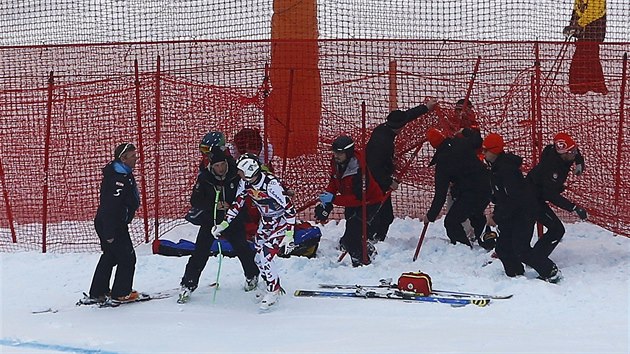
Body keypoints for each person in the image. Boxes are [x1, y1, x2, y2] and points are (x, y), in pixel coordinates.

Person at [211, 153, 296, 310]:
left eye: (241, 170)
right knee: (257, 257)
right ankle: (269, 283)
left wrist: (289, 236)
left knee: (265, 256)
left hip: (280, 223)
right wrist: (223, 225)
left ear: (249, 170)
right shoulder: (245, 183)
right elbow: (237, 204)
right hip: (266, 222)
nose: (238, 174)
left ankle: (273, 290)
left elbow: (290, 210)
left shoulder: (271, 184)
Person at [178, 147, 260, 303]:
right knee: (200, 252)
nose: (221, 169)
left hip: (232, 219)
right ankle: (188, 284)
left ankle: (252, 276)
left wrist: (232, 206)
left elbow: (250, 190)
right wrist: (215, 204)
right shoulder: (204, 178)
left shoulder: (236, 174)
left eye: (222, 164)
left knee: (242, 248)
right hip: (211, 220)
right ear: (211, 166)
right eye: (217, 166)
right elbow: (195, 201)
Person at [482, 133, 558, 281]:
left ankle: (550, 271)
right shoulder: (496, 168)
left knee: (521, 249)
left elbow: (514, 199)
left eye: (486, 150)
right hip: (511, 214)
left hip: (524, 213)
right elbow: (501, 196)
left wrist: (497, 217)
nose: (483, 153)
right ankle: (516, 275)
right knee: (503, 249)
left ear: (495, 150)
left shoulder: (507, 170)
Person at [366, 97, 438, 242]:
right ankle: (371, 240)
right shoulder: (383, 143)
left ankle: (377, 239)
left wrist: (425, 108)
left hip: (379, 178)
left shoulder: (384, 128)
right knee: (379, 214)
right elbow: (375, 167)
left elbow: (407, 116)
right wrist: (388, 182)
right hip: (374, 182)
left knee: (385, 215)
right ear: (399, 127)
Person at [526, 132, 588, 281]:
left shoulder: (553, 150)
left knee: (553, 229)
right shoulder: (552, 168)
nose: (574, 154)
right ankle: (536, 259)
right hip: (531, 199)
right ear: (563, 154)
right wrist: (573, 208)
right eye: (571, 153)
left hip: (537, 193)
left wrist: (579, 162)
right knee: (556, 229)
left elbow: (576, 151)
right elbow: (551, 195)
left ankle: (535, 257)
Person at [315, 135, 384, 267]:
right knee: (348, 237)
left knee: (353, 237)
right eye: (334, 152)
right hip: (349, 200)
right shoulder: (336, 163)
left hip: (369, 202)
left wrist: (334, 199)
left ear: (348, 152)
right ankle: (367, 250)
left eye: (339, 153)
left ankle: (361, 263)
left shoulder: (359, 170)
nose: (336, 155)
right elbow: (334, 181)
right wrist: (328, 197)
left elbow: (359, 199)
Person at [86, 143, 141, 303]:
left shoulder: (123, 173)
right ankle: (121, 293)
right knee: (128, 258)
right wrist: (109, 232)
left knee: (110, 256)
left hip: (111, 223)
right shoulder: (118, 179)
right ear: (123, 158)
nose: (135, 159)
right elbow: (109, 207)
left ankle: (98, 292)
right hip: (112, 225)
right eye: (132, 156)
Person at [423, 127, 491, 247]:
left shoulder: (442, 163)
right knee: (474, 212)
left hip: (470, 193)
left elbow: (440, 194)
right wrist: (465, 131)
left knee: (451, 222)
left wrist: (430, 215)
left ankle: (463, 248)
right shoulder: (462, 142)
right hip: (486, 186)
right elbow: (478, 140)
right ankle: (484, 239)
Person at [563, 0, 608, 95]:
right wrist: (573, 23)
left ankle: (586, 87)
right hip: (584, 31)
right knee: (587, 58)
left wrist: (579, 24)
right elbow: (577, 8)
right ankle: (591, 87)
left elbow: (594, 11)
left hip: (594, 29)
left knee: (587, 57)